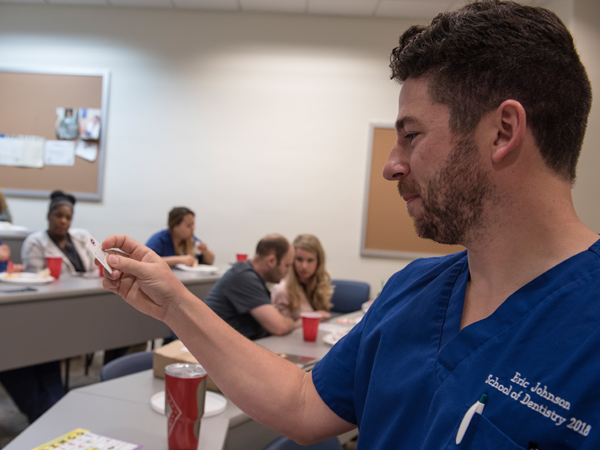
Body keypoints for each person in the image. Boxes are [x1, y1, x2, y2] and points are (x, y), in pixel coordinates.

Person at [99, 1, 600, 448]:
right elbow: (300, 403)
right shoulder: (412, 292)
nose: (391, 165)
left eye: (411, 135)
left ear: (503, 132)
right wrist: (175, 302)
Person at [204, 234, 296, 340]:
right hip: (217, 346)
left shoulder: (249, 275)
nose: (288, 271)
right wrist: (291, 322)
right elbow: (280, 327)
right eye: (287, 265)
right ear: (271, 261)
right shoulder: (244, 277)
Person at [21, 190, 95, 274]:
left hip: (89, 286)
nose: (63, 221)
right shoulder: (34, 242)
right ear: (48, 216)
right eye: (59, 216)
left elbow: (96, 268)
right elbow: (35, 278)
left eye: (68, 218)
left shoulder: (84, 237)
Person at [271, 234, 333, 327]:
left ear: (319, 261)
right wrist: (314, 316)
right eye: (299, 259)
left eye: (310, 260)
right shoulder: (282, 290)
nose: (304, 266)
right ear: (292, 260)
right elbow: (282, 329)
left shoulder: (320, 283)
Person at [146, 207, 215, 267]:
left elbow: (210, 261)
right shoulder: (159, 240)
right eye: (188, 225)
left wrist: (205, 251)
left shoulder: (191, 239)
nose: (193, 228)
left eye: (193, 224)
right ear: (175, 227)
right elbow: (147, 260)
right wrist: (179, 260)